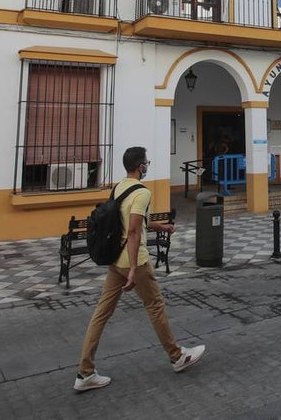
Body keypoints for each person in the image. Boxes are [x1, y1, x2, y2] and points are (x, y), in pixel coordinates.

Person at [75, 146, 205, 392]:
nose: (147, 166)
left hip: (115, 260)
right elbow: (133, 231)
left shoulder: (119, 187)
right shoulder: (143, 193)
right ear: (140, 166)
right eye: (146, 162)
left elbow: (134, 222)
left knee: (101, 313)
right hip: (134, 261)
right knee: (155, 305)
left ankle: (85, 372)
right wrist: (134, 268)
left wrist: (161, 227)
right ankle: (177, 356)